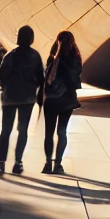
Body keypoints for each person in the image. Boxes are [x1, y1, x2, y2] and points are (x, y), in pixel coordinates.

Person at [0, 26, 44, 175]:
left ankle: (1, 162)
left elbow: (1, 76)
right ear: (31, 38)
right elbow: (41, 79)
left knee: (6, 130)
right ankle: (18, 162)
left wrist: (8, 87)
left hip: (9, 97)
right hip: (27, 98)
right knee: (22, 130)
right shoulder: (35, 56)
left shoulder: (10, 55)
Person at [40, 31, 82, 174]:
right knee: (62, 131)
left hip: (51, 100)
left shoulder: (52, 58)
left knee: (48, 133)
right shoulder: (76, 58)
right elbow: (77, 75)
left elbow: (46, 76)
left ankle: (47, 163)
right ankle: (58, 164)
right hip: (67, 100)